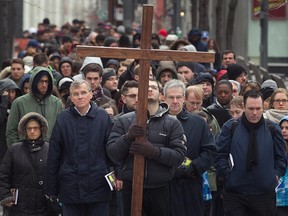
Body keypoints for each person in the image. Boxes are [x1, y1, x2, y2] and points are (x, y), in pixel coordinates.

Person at [106, 79, 187, 216]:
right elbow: (112, 153)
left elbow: (179, 157)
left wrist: (154, 152)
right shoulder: (123, 121)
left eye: (153, 87)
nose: (149, 90)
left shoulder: (173, 123)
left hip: (160, 189)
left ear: (160, 95)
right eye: (146, 87)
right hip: (130, 188)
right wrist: (127, 137)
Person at [46, 80, 113, 216]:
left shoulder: (103, 117)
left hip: (98, 185)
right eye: (75, 94)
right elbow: (54, 154)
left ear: (90, 94)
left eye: (83, 92)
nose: (80, 97)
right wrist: (51, 188)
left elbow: (111, 150)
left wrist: (115, 174)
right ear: (71, 97)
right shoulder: (63, 118)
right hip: (70, 187)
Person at [215, 89, 287, 216]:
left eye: (258, 108)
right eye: (251, 108)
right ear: (244, 107)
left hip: (264, 195)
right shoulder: (231, 127)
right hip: (235, 194)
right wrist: (227, 174)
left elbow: (281, 158)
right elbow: (220, 155)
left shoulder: (272, 129)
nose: (255, 113)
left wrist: (274, 176)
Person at [163, 79, 216, 216]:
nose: (175, 101)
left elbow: (209, 152)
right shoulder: (154, 122)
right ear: (164, 98)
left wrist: (192, 166)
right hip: (162, 186)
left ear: (184, 99)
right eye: (171, 97)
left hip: (189, 185)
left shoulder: (199, 124)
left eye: (178, 97)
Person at [0, 112, 56, 216]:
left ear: (41, 129)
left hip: (44, 206)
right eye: (29, 128)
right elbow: (3, 175)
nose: (32, 131)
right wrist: (5, 197)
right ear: (24, 130)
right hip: (19, 207)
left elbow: (57, 175)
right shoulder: (14, 150)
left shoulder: (50, 149)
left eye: (35, 128)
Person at [6, 66, 63, 146]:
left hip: (49, 152)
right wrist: (17, 153)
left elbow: (61, 131)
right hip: (25, 151)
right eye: (41, 81)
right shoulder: (19, 103)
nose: (44, 85)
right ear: (34, 82)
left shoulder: (57, 103)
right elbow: (11, 131)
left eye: (46, 81)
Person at [0, 79, 22, 162]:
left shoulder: (17, 105)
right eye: (7, 92)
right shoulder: (3, 103)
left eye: (13, 92)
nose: (10, 95)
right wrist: (4, 102)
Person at [276, 116, 288, 215]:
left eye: (287, 128)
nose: (283, 131)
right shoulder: (275, 146)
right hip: (279, 198)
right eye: (282, 128)